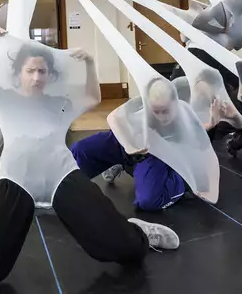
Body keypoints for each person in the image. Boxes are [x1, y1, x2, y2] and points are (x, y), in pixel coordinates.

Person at [0, 27, 179, 284]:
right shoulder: (1, 95)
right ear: (19, 73)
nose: (36, 77)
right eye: (31, 70)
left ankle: (141, 232)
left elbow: (93, 98)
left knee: (124, 250)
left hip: (61, 175)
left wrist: (91, 64)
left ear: (49, 75)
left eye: (42, 71)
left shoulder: (58, 102)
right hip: (17, 180)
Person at [71, 77, 233, 210]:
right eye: (156, 111)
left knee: (149, 201)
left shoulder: (184, 112)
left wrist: (211, 123)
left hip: (153, 154)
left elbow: (197, 137)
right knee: (80, 150)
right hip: (128, 143)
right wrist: (129, 146)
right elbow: (113, 117)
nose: (161, 117)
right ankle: (112, 168)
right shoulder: (144, 101)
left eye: (165, 111)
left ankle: (180, 182)